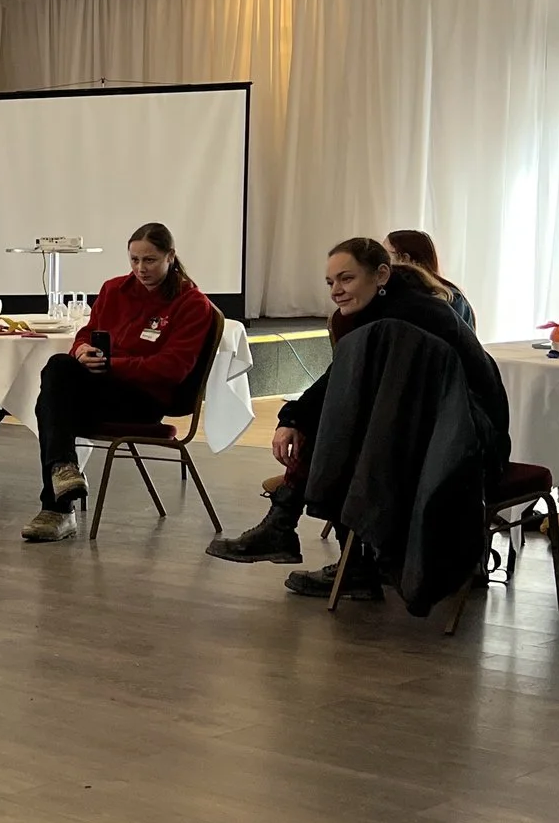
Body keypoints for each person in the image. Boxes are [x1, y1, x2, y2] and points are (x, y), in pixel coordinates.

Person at [209, 235, 506, 598]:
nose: (336, 290)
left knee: (349, 438)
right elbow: (343, 382)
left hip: (466, 438)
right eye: (330, 282)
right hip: (430, 429)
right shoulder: (380, 314)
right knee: (348, 430)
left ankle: (317, 543)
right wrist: (293, 419)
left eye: (346, 279)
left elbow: (367, 392)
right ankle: (327, 550)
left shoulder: (411, 318)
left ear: (381, 275)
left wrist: (295, 418)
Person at [22, 222, 218, 543]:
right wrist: (81, 350)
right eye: (134, 260)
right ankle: (64, 473)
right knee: (59, 369)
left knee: (52, 406)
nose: (140, 269)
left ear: (170, 257)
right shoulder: (114, 289)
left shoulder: (192, 303)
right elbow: (87, 333)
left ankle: (57, 509)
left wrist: (113, 365)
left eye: (150, 260)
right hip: (103, 389)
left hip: (145, 400)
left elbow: (172, 369)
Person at [387, 229, 478, 333]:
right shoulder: (388, 295)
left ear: (404, 259)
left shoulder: (451, 298)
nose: (380, 259)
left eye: (385, 253)